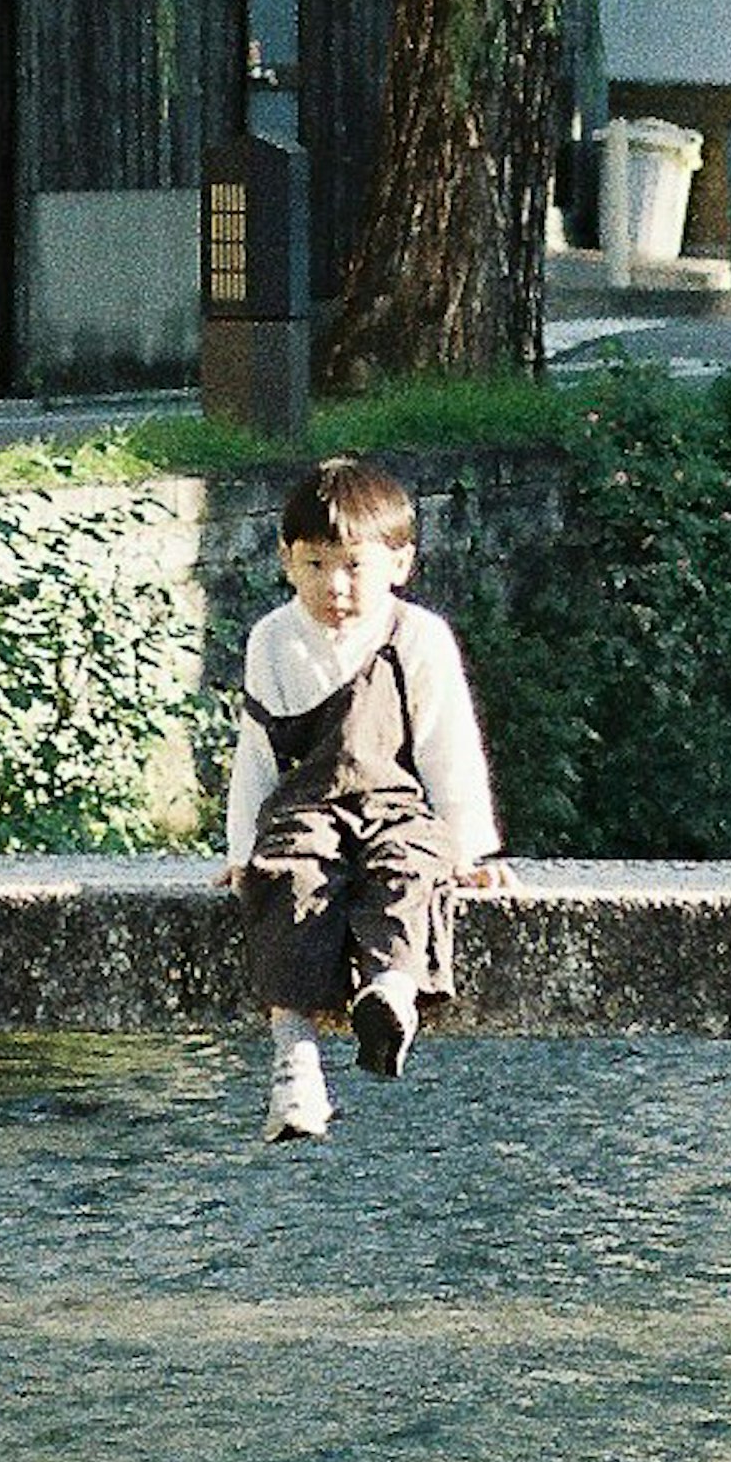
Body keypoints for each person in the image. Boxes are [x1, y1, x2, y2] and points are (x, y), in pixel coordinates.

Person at [225, 451, 506, 1144]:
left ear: (399, 562)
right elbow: (257, 753)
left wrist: (472, 849)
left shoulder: (417, 636)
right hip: (306, 806)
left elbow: (447, 745)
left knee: (410, 869)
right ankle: (295, 1063)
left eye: (354, 565)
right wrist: (240, 853)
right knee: (288, 877)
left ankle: (390, 991)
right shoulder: (273, 639)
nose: (336, 586)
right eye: (316, 564)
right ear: (288, 560)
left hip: (395, 803)